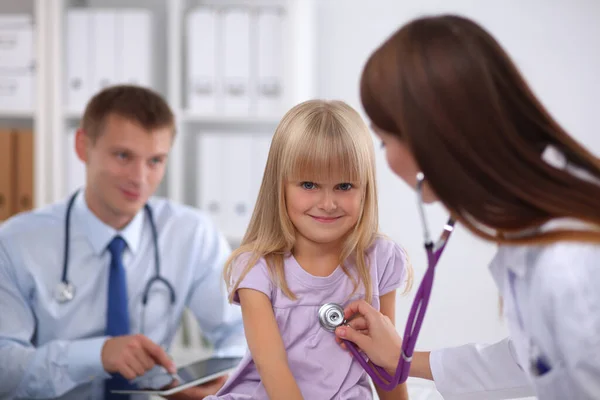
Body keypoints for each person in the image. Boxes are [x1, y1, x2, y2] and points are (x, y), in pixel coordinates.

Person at [331, 13, 600, 400]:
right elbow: (532, 360)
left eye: (385, 141)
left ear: (430, 139)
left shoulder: (567, 265)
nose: (385, 160)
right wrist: (403, 359)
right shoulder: (535, 225)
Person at [0, 85, 246, 400]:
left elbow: (242, 331)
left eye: (155, 160)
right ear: (82, 146)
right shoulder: (16, 242)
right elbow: (4, 367)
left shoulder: (191, 233)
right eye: (123, 156)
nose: (140, 178)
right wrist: (97, 355)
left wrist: (226, 380)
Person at [201, 99, 413, 399]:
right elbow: (272, 365)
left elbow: (386, 358)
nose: (327, 203)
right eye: (309, 185)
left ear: (366, 188)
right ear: (280, 185)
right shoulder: (256, 267)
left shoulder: (380, 257)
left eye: (344, 186)